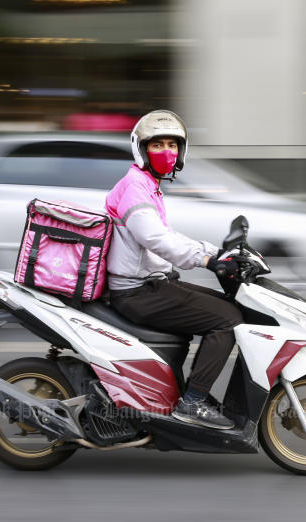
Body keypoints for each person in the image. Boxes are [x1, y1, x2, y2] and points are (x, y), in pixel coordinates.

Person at [105, 109, 243, 430]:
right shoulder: (136, 188)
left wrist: (216, 252)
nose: (166, 151)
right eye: (157, 145)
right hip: (137, 292)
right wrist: (208, 261)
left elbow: (167, 236)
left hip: (151, 284)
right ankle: (193, 402)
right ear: (141, 149)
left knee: (228, 308)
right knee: (228, 320)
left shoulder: (146, 185)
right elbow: (155, 238)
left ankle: (191, 391)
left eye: (172, 144)